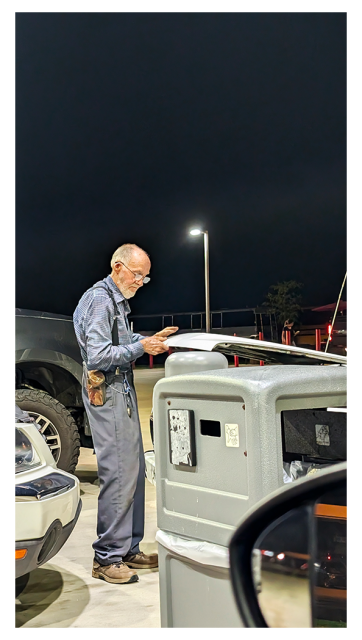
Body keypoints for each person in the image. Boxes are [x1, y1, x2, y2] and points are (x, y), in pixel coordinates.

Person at [73, 243, 178, 584]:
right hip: (109, 393)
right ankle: (106, 557)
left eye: (145, 278)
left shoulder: (115, 300)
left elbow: (119, 339)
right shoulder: (101, 299)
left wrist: (145, 340)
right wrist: (140, 347)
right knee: (118, 473)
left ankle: (127, 550)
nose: (140, 282)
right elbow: (100, 355)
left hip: (122, 391)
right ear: (117, 267)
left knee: (133, 471)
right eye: (137, 274)